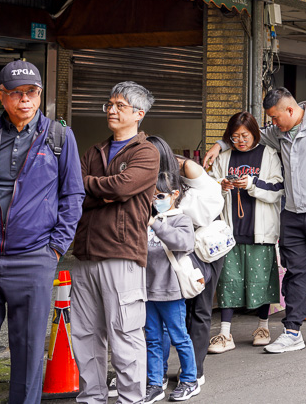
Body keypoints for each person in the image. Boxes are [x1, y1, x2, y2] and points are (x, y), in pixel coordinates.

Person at [0, 60, 84, 404]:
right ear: (1, 96)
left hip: (34, 259)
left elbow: (73, 194)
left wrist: (55, 248)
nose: (24, 100)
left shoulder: (59, 136)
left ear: (40, 94)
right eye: (16, 93)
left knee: (27, 355)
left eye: (32, 92)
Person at [203, 88, 306, 354]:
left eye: (274, 118)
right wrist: (219, 145)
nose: (272, 124)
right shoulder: (278, 132)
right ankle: (292, 331)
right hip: (293, 213)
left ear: (290, 110)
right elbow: (248, 134)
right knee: (295, 272)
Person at [72, 82, 160, 404]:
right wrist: (104, 192)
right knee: (84, 335)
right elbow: (73, 191)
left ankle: (131, 400)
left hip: (122, 255)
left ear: (139, 113)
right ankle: (90, 399)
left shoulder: (146, 153)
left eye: (119, 106)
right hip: (84, 256)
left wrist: (97, 189)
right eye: (109, 104)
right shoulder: (93, 151)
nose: (111, 110)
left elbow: (122, 189)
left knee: (125, 336)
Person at [146, 137, 223, 390]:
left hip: (202, 244)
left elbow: (212, 205)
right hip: (164, 260)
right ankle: (156, 377)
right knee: (158, 331)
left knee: (197, 310)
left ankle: (193, 374)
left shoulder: (185, 169)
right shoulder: (147, 180)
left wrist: (164, 218)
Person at [207, 112, 283, 354]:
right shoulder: (225, 156)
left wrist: (251, 184)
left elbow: (277, 188)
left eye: (245, 135)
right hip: (230, 230)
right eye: (235, 136)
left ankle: (263, 327)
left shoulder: (268, 154)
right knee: (228, 281)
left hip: (261, 229)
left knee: (261, 279)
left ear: (255, 133)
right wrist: (222, 186)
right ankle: (225, 333)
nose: (240, 140)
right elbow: (208, 188)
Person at [143, 165, 199, 403]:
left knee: (179, 337)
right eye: (152, 196)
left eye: (160, 195)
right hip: (147, 290)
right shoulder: (149, 220)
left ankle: (190, 380)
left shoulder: (181, 219)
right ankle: (155, 383)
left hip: (171, 290)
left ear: (175, 194)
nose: (156, 200)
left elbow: (183, 243)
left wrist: (156, 224)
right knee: (153, 339)